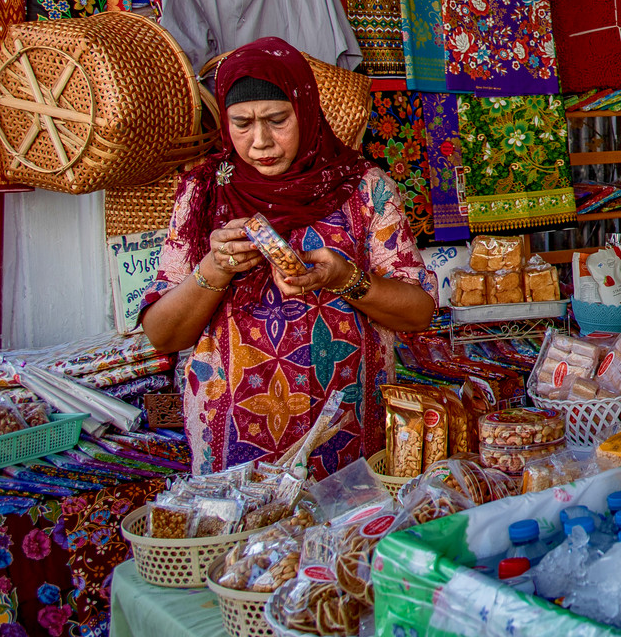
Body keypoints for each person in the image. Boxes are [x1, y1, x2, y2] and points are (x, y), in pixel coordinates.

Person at [140, 38, 436, 475]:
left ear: (307, 110)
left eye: (277, 120)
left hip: (347, 431)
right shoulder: (203, 193)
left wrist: (346, 279)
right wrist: (214, 268)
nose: (260, 141)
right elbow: (164, 336)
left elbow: (419, 314)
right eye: (241, 124)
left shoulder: (363, 190)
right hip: (232, 441)